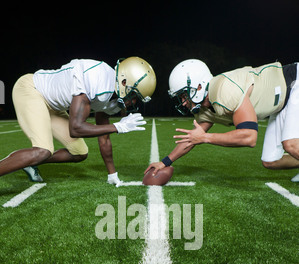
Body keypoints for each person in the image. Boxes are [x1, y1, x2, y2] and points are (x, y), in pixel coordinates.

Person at [1, 57, 156, 185]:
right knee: (43, 150)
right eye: (134, 96)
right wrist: (117, 127)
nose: (133, 102)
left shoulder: (112, 99)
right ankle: (28, 157)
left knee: (79, 152)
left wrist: (112, 174)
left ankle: (30, 161)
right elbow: (75, 128)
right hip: (32, 90)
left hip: (53, 106)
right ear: (124, 82)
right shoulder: (97, 79)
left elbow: (104, 138)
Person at [145, 59, 299, 183]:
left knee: (291, 144)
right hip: (280, 103)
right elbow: (191, 138)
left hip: (293, 83)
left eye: (184, 95)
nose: (183, 102)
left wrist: (205, 138)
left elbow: (249, 137)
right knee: (270, 160)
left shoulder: (224, 91)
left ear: (199, 86)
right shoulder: (204, 108)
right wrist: (165, 162)